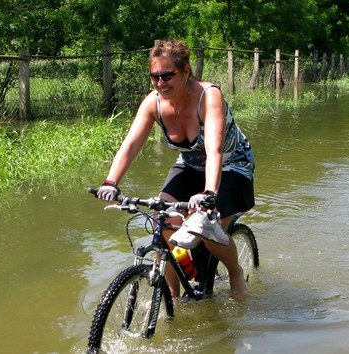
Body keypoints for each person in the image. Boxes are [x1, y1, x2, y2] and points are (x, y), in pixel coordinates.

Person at [96, 39, 255, 300]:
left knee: (207, 229)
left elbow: (214, 151)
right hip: (190, 164)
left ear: (185, 72)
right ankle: (171, 293)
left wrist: (208, 194)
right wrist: (111, 181)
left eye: (167, 75)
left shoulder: (208, 97)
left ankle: (236, 275)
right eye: (155, 76)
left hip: (230, 164)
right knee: (162, 220)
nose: (161, 83)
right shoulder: (153, 103)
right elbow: (130, 145)